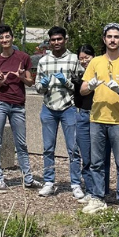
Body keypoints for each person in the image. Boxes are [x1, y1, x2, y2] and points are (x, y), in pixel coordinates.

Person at [80, 22, 119, 213]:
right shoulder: (95, 61)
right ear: (104, 39)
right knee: (96, 162)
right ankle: (97, 197)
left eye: (116, 37)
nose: (113, 40)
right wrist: (91, 85)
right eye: (109, 36)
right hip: (97, 118)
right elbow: (83, 89)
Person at [0, 25, 39, 192]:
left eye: (7, 37)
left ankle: (28, 178)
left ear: (12, 38)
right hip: (0, 103)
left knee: (22, 144)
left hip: (18, 105)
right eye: (1, 38)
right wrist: (0, 82)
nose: (4, 40)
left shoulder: (23, 57)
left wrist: (22, 76)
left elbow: (31, 82)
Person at [34, 26, 84, 197]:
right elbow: (38, 87)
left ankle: (76, 184)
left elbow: (80, 87)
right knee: (48, 148)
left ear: (65, 39)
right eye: (53, 40)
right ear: (49, 42)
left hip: (68, 108)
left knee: (73, 148)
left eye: (59, 39)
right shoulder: (43, 61)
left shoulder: (74, 59)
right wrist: (44, 84)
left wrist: (67, 83)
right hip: (48, 108)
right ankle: (49, 181)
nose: (56, 42)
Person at [73, 44, 111, 203]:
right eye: (80, 58)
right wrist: (77, 85)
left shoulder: (102, 72)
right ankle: (90, 189)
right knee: (86, 155)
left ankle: (103, 190)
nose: (84, 61)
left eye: (86, 57)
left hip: (101, 116)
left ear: (94, 56)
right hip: (84, 115)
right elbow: (78, 101)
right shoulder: (82, 77)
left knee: (102, 156)